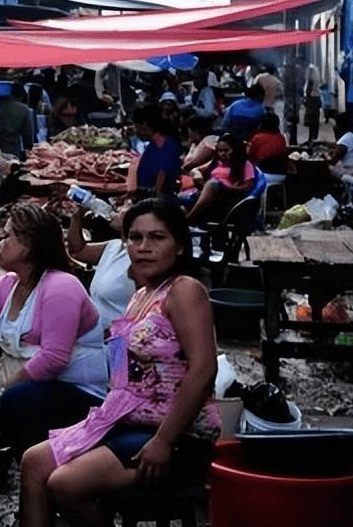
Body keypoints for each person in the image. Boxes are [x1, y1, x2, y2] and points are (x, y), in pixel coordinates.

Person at [20, 199, 221, 527]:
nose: (143, 247)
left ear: (180, 245)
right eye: (135, 238)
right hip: (130, 422)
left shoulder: (185, 291)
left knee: (64, 483)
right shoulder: (140, 296)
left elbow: (204, 369)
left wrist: (164, 441)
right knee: (33, 463)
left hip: (178, 436)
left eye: (157, 238)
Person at [0, 203, 108, 455]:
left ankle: (27, 459)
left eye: (7, 236)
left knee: (15, 401)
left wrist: (5, 390)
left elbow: (54, 359)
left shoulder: (61, 287)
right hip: (22, 376)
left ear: (29, 245)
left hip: (75, 390)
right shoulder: (6, 284)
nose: (0, 244)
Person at [66, 206, 136, 334]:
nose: (116, 210)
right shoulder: (114, 246)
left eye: (123, 208)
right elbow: (78, 251)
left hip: (118, 338)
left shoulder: (139, 259)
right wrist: (76, 218)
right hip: (95, 335)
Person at [184, 132, 258, 225]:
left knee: (212, 184)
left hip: (229, 199)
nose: (222, 154)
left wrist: (228, 187)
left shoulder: (245, 164)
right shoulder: (215, 163)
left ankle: (189, 219)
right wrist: (199, 181)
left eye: (226, 150)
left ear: (235, 149)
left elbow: (248, 186)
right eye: (219, 151)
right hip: (211, 198)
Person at [132, 106, 181, 197]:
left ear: (144, 125)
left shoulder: (163, 145)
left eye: (136, 126)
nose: (136, 131)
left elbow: (163, 174)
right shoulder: (157, 142)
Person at [0, 85, 37, 160]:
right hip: (13, 150)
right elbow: (28, 135)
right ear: (21, 96)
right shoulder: (24, 109)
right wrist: (30, 151)